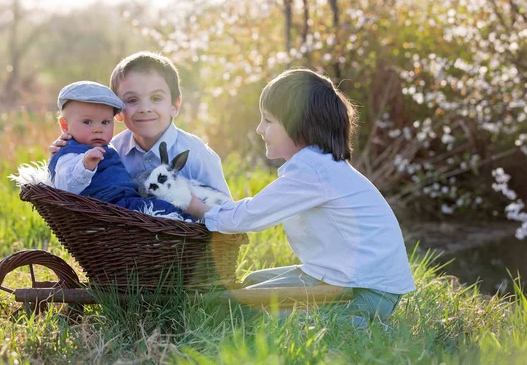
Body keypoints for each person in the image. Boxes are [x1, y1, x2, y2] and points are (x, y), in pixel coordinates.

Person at [186, 69, 415, 324]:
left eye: (269, 120)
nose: (259, 128)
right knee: (251, 283)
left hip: (365, 290)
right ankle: (332, 316)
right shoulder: (317, 166)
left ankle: (354, 323)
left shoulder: (313, 171)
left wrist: (195, 206)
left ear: (300, 126)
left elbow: (250, 216)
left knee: (247, 313)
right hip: (333, 277)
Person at [49, 51, 230, 197]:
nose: (145, 108)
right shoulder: (111, 151)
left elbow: (223, 212)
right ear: (118, 112)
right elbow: (75, 189)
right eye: (132, 99)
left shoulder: (196, 155)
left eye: (156, 98)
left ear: (175, 106)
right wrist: (69, 151)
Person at [49, 80, 193, 220]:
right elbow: (63, 187)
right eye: (87, 122)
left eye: (105, 122)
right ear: (65, 126)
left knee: (163, 206)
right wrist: (84, 166)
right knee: (161, 209)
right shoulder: (69, 152)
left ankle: (188, 224)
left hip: (126, 202)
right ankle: (187, 226)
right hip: (108, 207)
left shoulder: (111, 146)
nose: (98, 129)